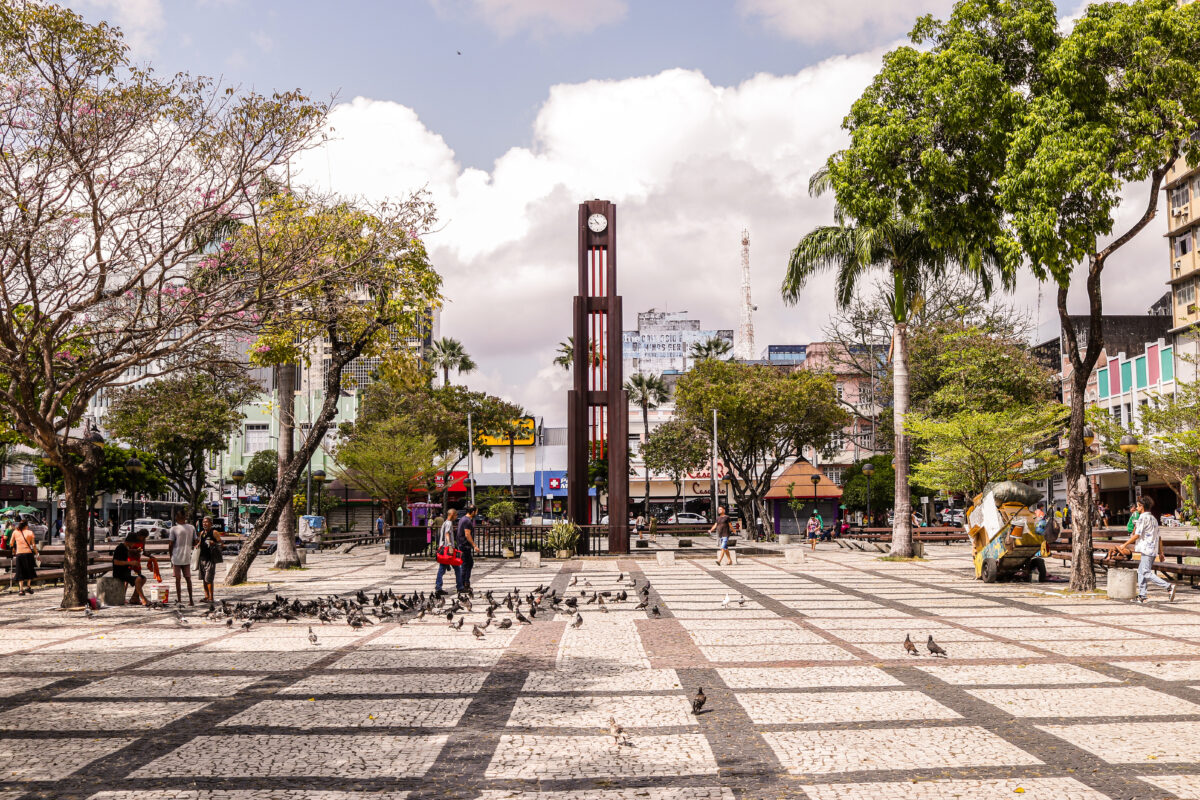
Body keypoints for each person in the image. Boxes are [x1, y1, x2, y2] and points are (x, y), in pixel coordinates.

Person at [1118, 496, 1175, 604]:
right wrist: (1161, 552)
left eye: (1138, 506)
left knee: (1145, 572)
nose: (1136, 508)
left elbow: (1136, 535)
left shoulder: (1142, 518)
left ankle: (1168, 587)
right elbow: (1159, 537)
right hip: (1152, 550)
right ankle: (1142, 595)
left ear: (1142, 506)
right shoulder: (1153, 518)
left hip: (1146, 549)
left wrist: (1124, 545)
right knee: (1141, 571)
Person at [167, 511, 198, 606]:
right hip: (187, 556)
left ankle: (179, 599)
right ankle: (191, 600)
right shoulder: (191, 528)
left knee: (178, 579)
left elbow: (171, 544)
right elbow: (195, 541)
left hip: (176, 557)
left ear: (178, 517)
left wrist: (170, 556)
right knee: (188, 579)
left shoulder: (174, 529)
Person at [113, 530, 150, 606]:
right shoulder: (120, 548)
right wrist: (130, 563)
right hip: (119, 573)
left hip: (126, 571)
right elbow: (116, 562)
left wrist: (133, 564)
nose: (134, 545)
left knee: (143, 578)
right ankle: (143, 599)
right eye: (133, 543)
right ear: (130, 541)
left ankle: (135, 598)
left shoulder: (126, 548)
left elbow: (126, 559)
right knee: (139, 579)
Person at [196, 516, 223, 605]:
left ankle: (211, 597)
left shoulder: (214, 532)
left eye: (207, 522)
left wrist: (214, 543)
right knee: (204, 579)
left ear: (211, 523)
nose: (204, 524)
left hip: (210, 558)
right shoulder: (202, 533)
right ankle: (206, 596)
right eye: (203, 522)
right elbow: (200, 542)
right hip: (202, 558)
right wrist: (197, 545)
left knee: (209, 579)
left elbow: (221, 543)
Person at [434, 508, 460, 594]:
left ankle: (439, 587)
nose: (456, 517)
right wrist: (450, 545)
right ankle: (459, 586)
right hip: (447, 550)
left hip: (444, 549)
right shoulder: (448, 523)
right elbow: (447, 533)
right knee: (455, 567)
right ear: (452, 514)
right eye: (456, 515)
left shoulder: (445, 522)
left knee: (444, 569)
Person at [9, 521, 39, 596]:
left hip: (19, 554)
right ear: (26, 525)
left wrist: (13, 549)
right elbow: (34, 545)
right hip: (28, 553)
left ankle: (21, 590)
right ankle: (28, 586)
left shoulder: (15, 532)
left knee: (20, 571)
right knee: (29, 570)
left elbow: (11, 543)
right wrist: (37, 553)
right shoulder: (30, 532)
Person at [456, 506, 477, 593]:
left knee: (469, 563)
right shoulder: (467, 521)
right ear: (472, 512)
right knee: (464, 565)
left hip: (463, 545)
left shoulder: (463, 519)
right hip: (464, 545)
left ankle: (466, 583)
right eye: (476, 512)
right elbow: (467, 534)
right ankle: (461, 586)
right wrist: (474, 545)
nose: (476, 513)